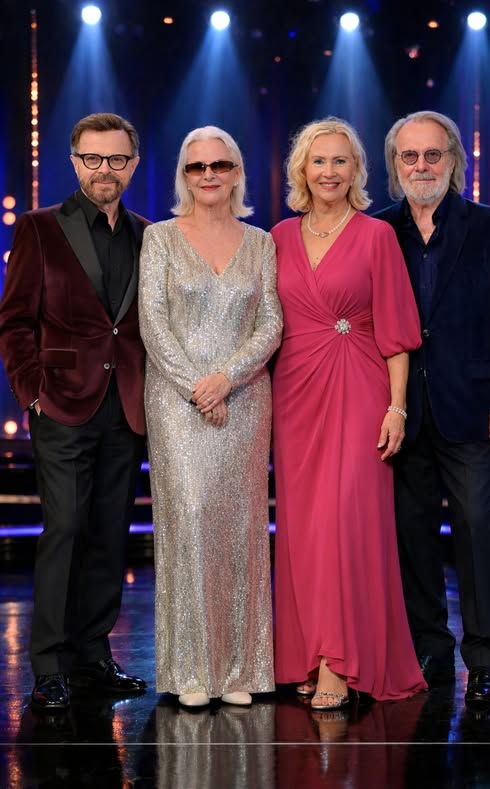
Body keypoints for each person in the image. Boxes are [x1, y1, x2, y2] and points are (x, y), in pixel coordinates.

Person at [271, 117, 427, 710]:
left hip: (360, 388)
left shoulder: (376, 236)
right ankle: (308, 654)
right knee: (305, 530)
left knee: (347, 522)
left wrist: (396, 407)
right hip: (294, 394)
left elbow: (397, 333)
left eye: (341, 161)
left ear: (357, 170)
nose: (329, 172)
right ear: (301, 169)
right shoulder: (278, 237)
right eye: (319, 161)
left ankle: (339, 661)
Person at [375, 110, 490, 705]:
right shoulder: (378, 229)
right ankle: (429, 650)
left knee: (475, 529)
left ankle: (486, 661)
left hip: (471, 407)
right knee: (411, 534)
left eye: (432, 154)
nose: (421, 166)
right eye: (409, 156)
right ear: (395, 165)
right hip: (402, 411)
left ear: (453, 160)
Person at [0, 112, 149, 712]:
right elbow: (14, 321)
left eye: (116, 159)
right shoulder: (40, 228)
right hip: (61, 402)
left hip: (127, 407)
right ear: (74, 162)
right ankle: (49, 666)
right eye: (92, 158)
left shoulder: (149, 234)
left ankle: (93, 657)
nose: (103, 169)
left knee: (110, 532)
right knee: (65, 529)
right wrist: (33, 393)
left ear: (132, 165)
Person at [139, 125, 282, 708]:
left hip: (245, 399)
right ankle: (192, 670)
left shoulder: (261, 242)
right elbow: (152, 322)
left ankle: (241, 670)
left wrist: (228, 378)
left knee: (242, 526)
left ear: (237, 172)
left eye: (220, 165)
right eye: (197, 167)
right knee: (191, 518)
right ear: (183, 175)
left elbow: (271, 323)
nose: (209, 175)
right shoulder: (160, 239)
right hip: (176, 402)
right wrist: (198, 388)